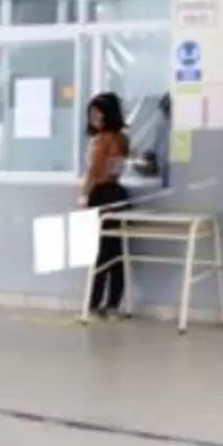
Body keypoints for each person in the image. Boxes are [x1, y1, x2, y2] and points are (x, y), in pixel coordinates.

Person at [81, 92, 133, 318]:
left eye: (97, 113)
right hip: (118, 194)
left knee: (100, 253)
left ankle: (94, 302)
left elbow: (94, 171)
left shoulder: (102, 140)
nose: (93, 117)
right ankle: (113, 302)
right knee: (115, 252)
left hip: (101, 195)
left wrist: (84, 195)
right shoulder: (122, 138)